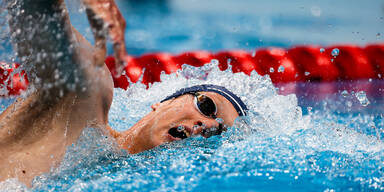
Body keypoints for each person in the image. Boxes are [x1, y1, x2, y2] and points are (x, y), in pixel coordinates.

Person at [0, 0, 247, 186]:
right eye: (207, 106)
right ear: (160, 103)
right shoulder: (85, 101)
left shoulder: (114, 178)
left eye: (217, 132)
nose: (204, 126)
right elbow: (32, 10)